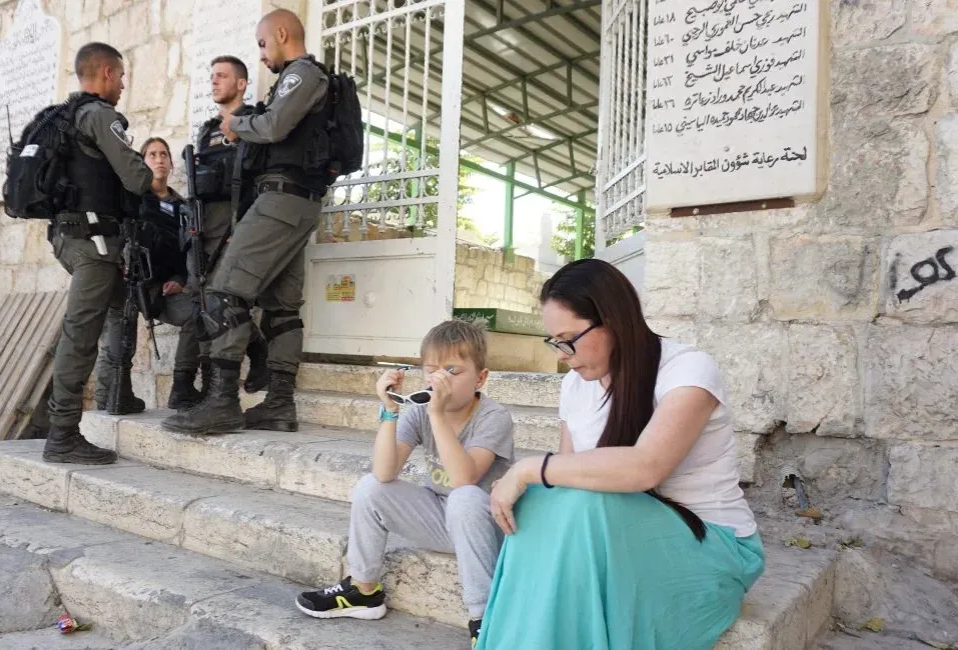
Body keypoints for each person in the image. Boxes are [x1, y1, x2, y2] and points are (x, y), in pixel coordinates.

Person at [476, 259, 765, 650]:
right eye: (554, 342)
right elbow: (568, 483)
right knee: (541, 507)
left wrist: (527, 469)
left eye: (568, 338)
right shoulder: (575, 388)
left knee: (579, 506)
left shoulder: (687, 369)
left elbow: (646, 467)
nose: (562, 354)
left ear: (611, 320)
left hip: (709, 545)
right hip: (618, 535)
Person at [295, 320, 513, 648]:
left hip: (485, 524)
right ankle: (364, 591)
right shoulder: (420, 410)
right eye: (431, 370)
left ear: (481, 377)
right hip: (440, 517)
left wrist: (437, 416)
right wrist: (389, 410)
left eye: (453, 370)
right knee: (371, 487)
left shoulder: (493, 417)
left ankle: (485, 617)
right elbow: (384, 471)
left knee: (464, 498)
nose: (439, 379)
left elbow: (464, 478)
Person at [164, 9, 330, 435]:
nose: (261, 55)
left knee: (224, 291)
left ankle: (221, 402)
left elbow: (273, 125)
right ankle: (279, 404)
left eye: (261, 44)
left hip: (283, 198)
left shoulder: (303, 74)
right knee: (281, 308)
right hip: (292, 200)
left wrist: (237, 124)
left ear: (280, 33)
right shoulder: (295, 79)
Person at [43, 42, 153, 465]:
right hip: (93, 243)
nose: (123, 85)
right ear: (106, 73)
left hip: (72, 238)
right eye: (122, 76)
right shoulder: (100, 116)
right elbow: (137, 177)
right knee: (80, 335)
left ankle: (116, 393)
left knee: (117, 312)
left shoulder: (66, 116)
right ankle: (63, 434)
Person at [92, 137, 207, 413]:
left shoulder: (183, 207)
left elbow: (186, 252)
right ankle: (107, 400)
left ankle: (182, 387)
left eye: (164, 154)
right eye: (152, 154)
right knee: (118, 345)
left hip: (162, 291)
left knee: (198, 315)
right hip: (128, 284)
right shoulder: (131, 199)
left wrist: (180, 281)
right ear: (142, 162)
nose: (159, 159)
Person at [187, 55, 269, 400]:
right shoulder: (207, 131)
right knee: (205, 302)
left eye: (222, 76)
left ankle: (257, 352)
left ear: (241, 84)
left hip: (238, 224)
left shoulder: (252, 123)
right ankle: (210, 388)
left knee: (226, 300)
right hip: (204, 228)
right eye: (212, 76)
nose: (214, 81)